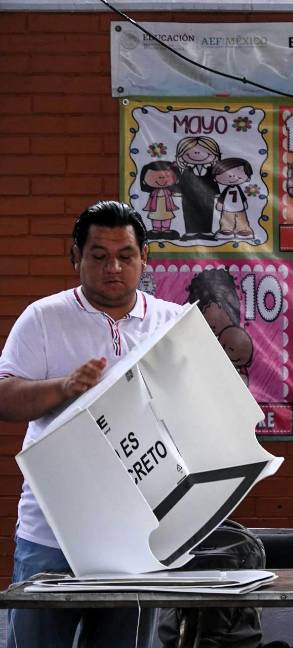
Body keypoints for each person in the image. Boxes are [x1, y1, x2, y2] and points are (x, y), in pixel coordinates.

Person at [0, 201, 183, 647]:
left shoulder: (173, 323)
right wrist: (64, 387)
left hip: (138, 535)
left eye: (125, 255)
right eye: (99, 256)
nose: (113, 267)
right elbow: (4, 398)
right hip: (51, 532)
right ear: (75, 256)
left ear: (144, 258)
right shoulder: (44, 318)